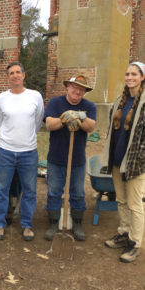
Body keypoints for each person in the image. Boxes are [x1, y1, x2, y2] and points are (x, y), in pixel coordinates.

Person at [0, 62, 44, 241]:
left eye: (18, 72)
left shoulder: (35, 96)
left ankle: (27, 225)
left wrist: (26, 138)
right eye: (11, 73)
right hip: (5, 151)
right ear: (8, 77)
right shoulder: (1, 99)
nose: (15, 75)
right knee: (1, 189)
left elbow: (38, 122)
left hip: (28, 152)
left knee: (29, 190)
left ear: (23, 75)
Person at [101, 62, 145, 263]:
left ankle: (135, 243)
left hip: (136, 162)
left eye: (134, 74)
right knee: (121, 200)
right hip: (118, 160)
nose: (129, 77)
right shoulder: (120, 100)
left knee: (136, 205)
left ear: (142, 77)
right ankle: (124, 232)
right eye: (127, 74)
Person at [44, 75, 96, 241]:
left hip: (77, 160)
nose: (77, 91)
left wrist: (80, 117)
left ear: (84, 92)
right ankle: (53, 223)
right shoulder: (55, 103)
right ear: (67, 87)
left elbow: (91, 127)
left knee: (78, 193)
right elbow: (50, 124)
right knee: (54, 192)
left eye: (81, 89)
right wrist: (64, 117)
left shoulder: (89, 106)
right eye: (74, 87)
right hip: (56, 158)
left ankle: (78, 223)